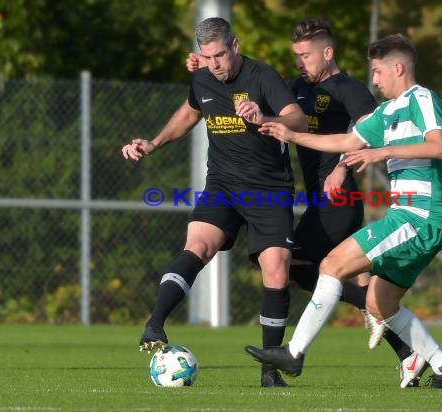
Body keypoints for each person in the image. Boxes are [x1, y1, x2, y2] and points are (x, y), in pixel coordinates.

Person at [188, 19, 428, 389]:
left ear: (327, 53)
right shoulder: (296, 88)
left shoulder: (351, 90)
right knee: (336, 278)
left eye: (306, 55)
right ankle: (405, 344)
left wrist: (340, 172)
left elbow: (368, 133)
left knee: (297, 267)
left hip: (340, 197)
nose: (299, 62)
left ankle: (398, 335)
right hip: (317, 200)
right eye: (296, 55)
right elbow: (247, 83)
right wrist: (200, 64)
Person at [245, 33, 442, 389]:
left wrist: (379, 153)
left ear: (398, 68)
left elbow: (438, 146)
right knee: (380, 305)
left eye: (379, 72)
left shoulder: (421, 98)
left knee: (332, 265)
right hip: (412, 218)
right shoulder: (386, 112)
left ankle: (295, 353)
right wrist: (291, 135)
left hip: (419, 215)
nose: (375, 80)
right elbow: (346, 142)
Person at [122, 17, 308, 388]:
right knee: (198, 244)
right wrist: (155, 143)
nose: (215, 64)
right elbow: (191, 112)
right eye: (207, 57)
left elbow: (298, 119)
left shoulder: (262, 77)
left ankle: (269, 372)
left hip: (268, 189)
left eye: (220, 55)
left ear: (235, 46)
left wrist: (265, 116)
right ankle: (155, 324)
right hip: (222, 184)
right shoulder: (203, 77)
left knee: (277, 268)